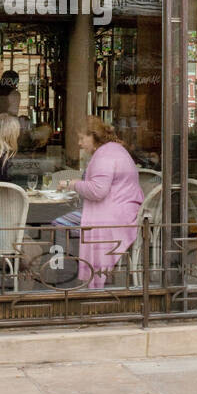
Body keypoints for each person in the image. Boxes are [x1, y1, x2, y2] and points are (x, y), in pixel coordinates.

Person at [58, 117, 143, 290]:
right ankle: (86, 271)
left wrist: (71, 184)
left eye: (82, 138)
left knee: (59, 225)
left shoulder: (104, 156)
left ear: (94, 136)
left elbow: (97, 191)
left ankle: (65, 280)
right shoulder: (115, 150)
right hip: (126, 213)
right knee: (72, 225)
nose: (80, 144)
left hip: (112, 218)